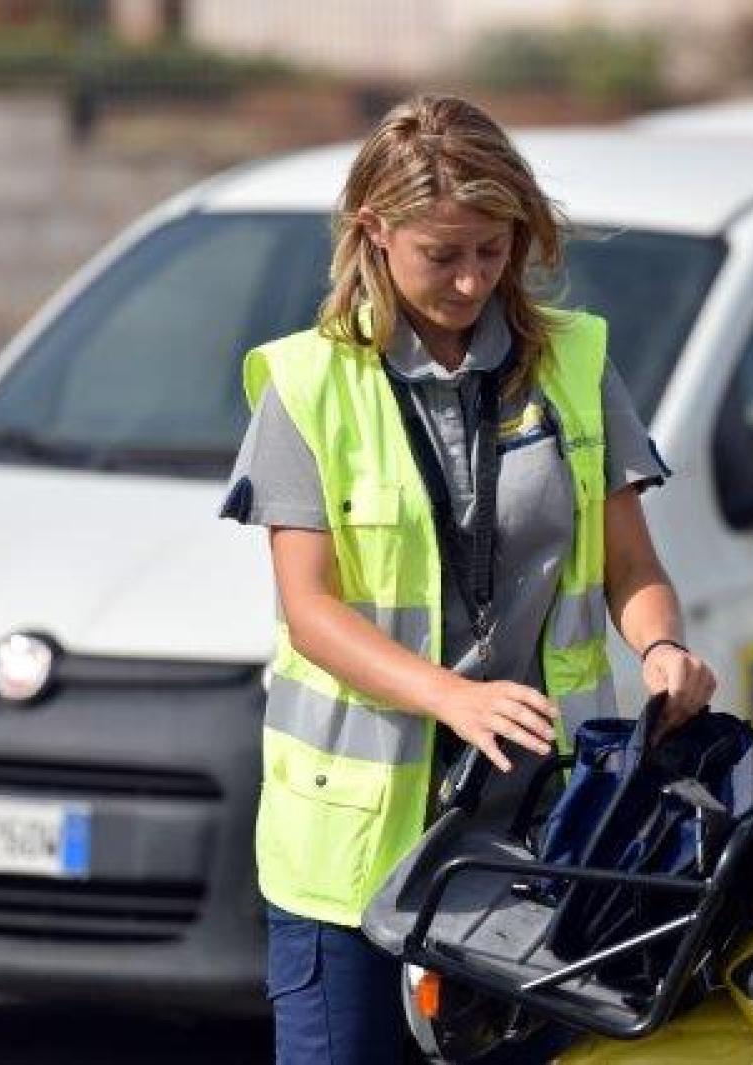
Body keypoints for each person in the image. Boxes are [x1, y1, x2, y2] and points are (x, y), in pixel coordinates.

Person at [220, 93, 717, 1065]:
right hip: (352, 841)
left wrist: (662, 646)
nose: (469, 279)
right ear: (373, 230)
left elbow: (632, 567)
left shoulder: (575, 363)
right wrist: (453, 698)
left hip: (541, 824)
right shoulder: (306, 386)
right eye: (440, 254)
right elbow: (310, 610)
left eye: (491, 251)